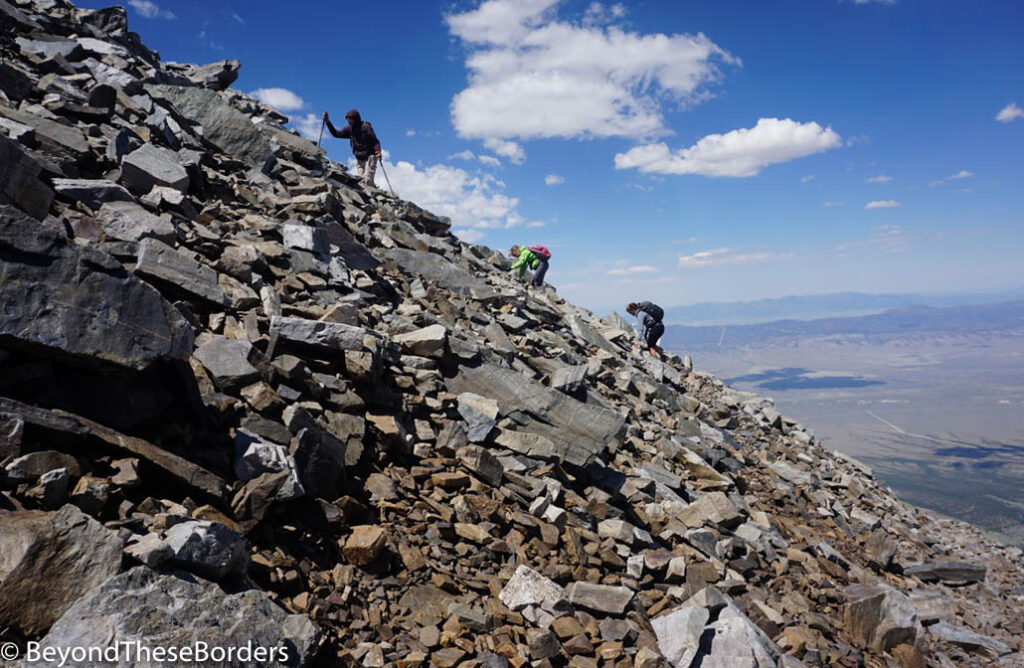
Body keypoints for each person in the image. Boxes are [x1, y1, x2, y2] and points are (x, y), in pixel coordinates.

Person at [322, 109, 382, 186]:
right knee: (360, 183)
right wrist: (327, 121)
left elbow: (375, 141)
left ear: (356, 118)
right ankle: (370, 194)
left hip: (370, 157)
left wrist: (378, 151)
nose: (349, 121)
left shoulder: (366, 127)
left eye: (350, 119)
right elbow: (336, 134)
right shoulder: (349, 129)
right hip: (359, 159)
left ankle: (374, 194)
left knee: (367, 180)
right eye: (348, 119)